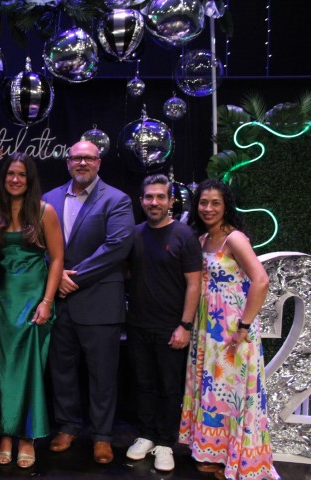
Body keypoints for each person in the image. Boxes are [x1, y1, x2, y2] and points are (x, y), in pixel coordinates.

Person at [179, 179, 279, 480]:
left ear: (226, 206)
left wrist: (244, 326)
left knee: (232, 391)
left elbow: (261, 280)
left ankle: (236, 458)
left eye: (215, 203)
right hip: (207, 328)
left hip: (232, 329)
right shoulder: (201, 239)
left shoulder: (234, 238)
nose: (208, 208)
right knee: (213, 390)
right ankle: (213, 452)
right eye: (203, 202)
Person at [42, 140, 135, 464]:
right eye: (76, 158)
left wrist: (71, 278)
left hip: (99, 301)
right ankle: (68, 426)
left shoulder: (117, 199)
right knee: (61, 370)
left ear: (99, 163)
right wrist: (55, 276)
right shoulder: (49, 198)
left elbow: (117, 247)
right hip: (59, 302)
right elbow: (38, 243)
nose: (82, 163)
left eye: (89, 158)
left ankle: (102, 436)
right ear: (68, 162)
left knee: (102, 375)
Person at [0, 153, 64, 469]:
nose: (15, 179)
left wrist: (47, 301)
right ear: (2, 178)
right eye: (10, 174)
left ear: (30, 179)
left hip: (34, 301)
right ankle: (5, 434)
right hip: (0, 302)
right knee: (2, 371)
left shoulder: (45, 211)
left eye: (21, 174)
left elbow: (57, 260)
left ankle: (27, 437)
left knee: (29, 369)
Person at [124, 174, 202, 472]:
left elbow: (194, 284)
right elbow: (127, 273)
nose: (154, 202)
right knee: (143, 384)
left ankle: (166, 443)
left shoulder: (184, 235)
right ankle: (146, 435)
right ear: (141, 201)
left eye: (160, 197)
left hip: (172, 327)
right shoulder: (134, 234)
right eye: (149, 197)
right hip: (138, 324)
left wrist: (185, 326)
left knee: (170, 387)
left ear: (171, 201)